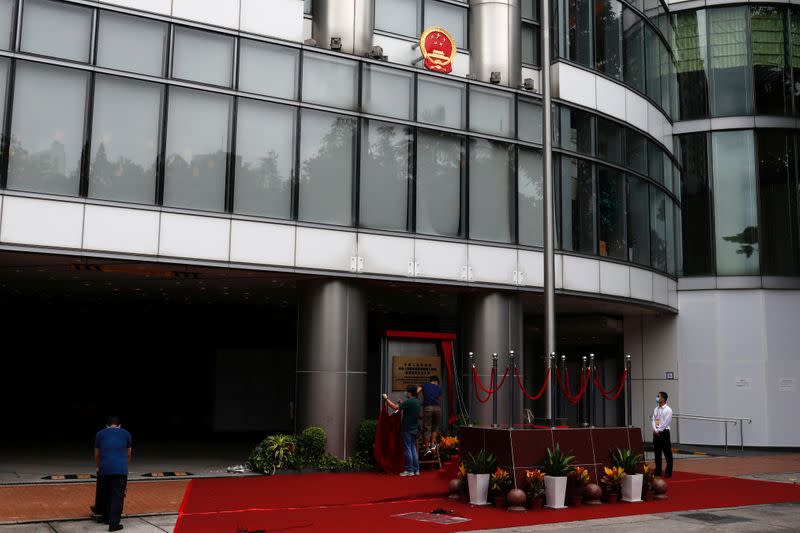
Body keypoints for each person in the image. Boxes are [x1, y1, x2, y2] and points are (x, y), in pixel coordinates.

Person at [90, 416, 132, 532]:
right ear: (119, 425)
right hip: (120, 470)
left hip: (104, 469)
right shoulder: (127, 434)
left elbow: (97, 455)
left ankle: (107, 518)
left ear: (106, 426)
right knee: (117, 496)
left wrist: (100, 467)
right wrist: (124, 466)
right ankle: (114, 524)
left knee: (106, 493)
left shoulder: (99, 434)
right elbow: (128, 454)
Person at [383, 386, 421, 477]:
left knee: (408, 449)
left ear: (410, 393)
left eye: (407, 392)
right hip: (414, 428)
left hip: (407, 428)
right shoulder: (416, 401)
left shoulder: (409, 402)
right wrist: (401, 403)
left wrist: (386, 399)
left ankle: (409, 470)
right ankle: (416, 470)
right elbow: (406, 407)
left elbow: (394, 407)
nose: (406, 393)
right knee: (413, 449)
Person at [652, 391, 673, 478]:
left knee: (667, 453)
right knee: (657, 453)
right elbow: (653, 419)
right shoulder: (656, 409)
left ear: (663, 398)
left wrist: (659, 430)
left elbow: (666, 422)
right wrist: (655, 429)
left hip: (664, 433)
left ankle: (668, 472)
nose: (657, 398)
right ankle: (658, 471)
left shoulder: (668, 410)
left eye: (658, 396)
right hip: (656, 432)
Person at [419, 375, 442, 454]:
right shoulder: (438, 387)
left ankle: (427, 448)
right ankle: (432, 444)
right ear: (436, 381)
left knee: (427, 428)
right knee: (435, 426)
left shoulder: (424, 385)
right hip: (437, 408)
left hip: (428, 408)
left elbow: (417, 391)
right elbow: (438, 398)